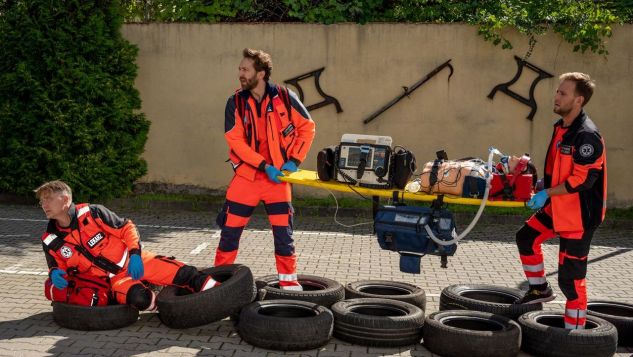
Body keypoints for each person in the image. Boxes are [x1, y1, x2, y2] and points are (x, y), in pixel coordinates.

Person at [214, 48, 315, 290]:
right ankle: (218, 283)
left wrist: (294, 161)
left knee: (283, 236)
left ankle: (289, 284)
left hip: (277, 181)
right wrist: (263, 165)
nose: (240, 73)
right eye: (240, 69)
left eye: (245, 69)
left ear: (261, 73)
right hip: (246, 179)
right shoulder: (234, 102)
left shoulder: (285, 96)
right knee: (229, 234)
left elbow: (308, 127)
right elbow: (235, 141)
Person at [37, 180, 220, 310]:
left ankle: (220, 292)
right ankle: (165, 302)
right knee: (141, 299)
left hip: (136, 262)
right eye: (41, 200)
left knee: (187, 274)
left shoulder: (93, 212)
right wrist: (54, 273)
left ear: (66, 199)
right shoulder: (50, 239)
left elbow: (127, 228)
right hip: (115, 281)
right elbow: (55, 265)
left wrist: (134, 255)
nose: (43, 204)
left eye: (48, 198)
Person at [515, 72, 607, 330]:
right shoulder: (562, 127)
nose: (556, 96)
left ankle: (575, 335)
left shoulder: (587, 135)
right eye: (557, 91)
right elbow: (558, 169)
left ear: (578, 100)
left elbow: (583, 180)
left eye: (563, 93)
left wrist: (546, 193)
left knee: (571, 280)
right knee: (526, 238)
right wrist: (542, 187)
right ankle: (539, 290)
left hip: (579, 216)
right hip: (557, 207)